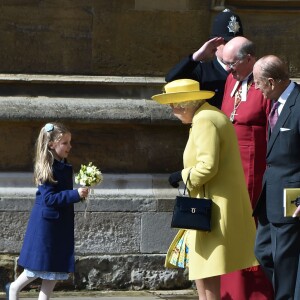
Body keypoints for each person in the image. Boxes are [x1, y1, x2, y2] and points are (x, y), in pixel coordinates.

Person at [152, 78, 259, 300]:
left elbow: (208, 166)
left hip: (210, 207)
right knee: (202, 266)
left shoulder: (204, 120)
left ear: (184, 104)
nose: (172, 111)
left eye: (173, 105)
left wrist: (180, 176)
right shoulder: (211, 115)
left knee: (207, 268)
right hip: (214, 203)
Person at [5, 122, 89, 300]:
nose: (69, 147)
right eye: (65, 143)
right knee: (38, 267)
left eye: (69, 142)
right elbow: (49, 199)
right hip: (47, 227)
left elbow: (62, 195)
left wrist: (79, 194)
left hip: (60, 225)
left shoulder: (63, 165)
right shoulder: (47, 167)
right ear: (52, 144)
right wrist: (75, 194)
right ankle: (13, 288)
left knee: (55, 267)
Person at [220, 36, 274, 300]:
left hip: (254, 169)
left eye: (232, 63)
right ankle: (229, 289)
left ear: (249, 59)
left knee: (249, 227)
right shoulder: (232, 79)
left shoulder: (263, 85)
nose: (228, 68)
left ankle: (254, 293)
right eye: (225, 63)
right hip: (228, 167)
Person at [253, 55, 300, 299]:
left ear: (271, 82)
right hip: (270, 196)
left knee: (284, 260)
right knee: (263, 251)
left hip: (292, 197)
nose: (256, 88)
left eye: (258, 83)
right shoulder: (277, 102)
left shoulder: (299, 103)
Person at [165, 9, 244, 109]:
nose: (231, 47)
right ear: (214, 43)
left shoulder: (247, 70)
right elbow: (171, 79)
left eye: (236, 43)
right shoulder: (203, 70)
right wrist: (196, 57)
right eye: (226, 42)